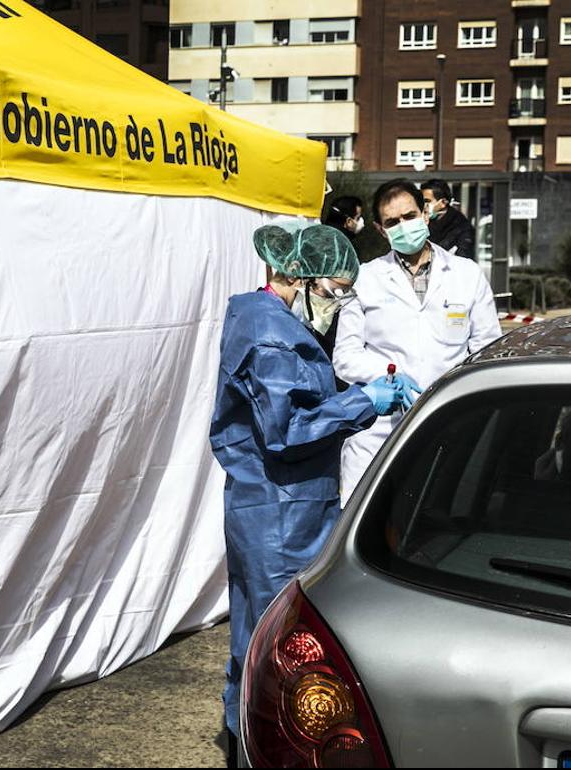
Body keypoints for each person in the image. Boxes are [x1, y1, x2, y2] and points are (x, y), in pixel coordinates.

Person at [210, 221, 409, 763]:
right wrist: (364, 401)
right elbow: (285, 431)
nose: (340, 301)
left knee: (256, 640)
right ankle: (257, 749)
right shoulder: (270, 334)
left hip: (283, 506)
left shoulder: (274, 324)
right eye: (336, 289)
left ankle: (246, 742)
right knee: (274, 650)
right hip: (279, 512)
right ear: (300, 276)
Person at [334, 179, 502, 503]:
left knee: (435, 521)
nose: (403, 226)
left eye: (409, 216)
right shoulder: (365, 278)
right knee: (364, 519)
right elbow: (345, 356)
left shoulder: (466, 274)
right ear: (380, 230)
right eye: (392, 223)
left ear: (425, 213)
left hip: (449, 418)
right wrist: (390, 375)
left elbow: (488, 349)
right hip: (379, 427)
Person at [318, 196, 367, 363]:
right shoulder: (343, 246)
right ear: (348, 221)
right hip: (332, 312)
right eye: (358, 217)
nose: (361, 223)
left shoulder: (318, 236)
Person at [420, 179, 475, 260]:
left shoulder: (462, 227)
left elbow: (462, 259)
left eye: (427, 201)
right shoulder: (422, 222)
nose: (424, 205)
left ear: (443, 202)